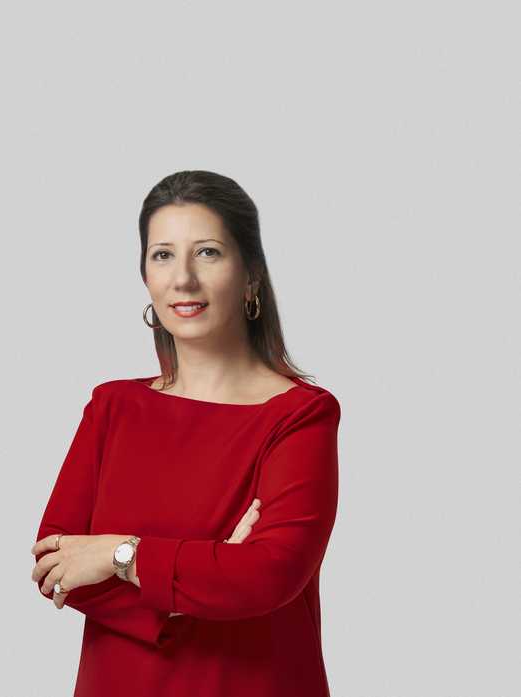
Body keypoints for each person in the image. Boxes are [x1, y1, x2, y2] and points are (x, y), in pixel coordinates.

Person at [30, 170, 341, 696]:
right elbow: (55, 563)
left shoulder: (300, 415)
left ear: (251, 275)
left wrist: (119, 556)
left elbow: (269, 575)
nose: (183, 279)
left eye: (208, 253)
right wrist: (203, 577)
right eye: (163, 255)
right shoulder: (113, 406)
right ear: (145, 276)